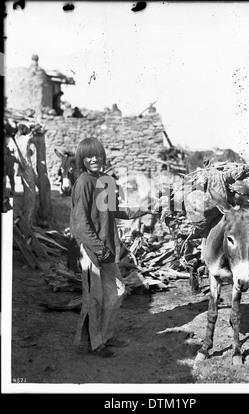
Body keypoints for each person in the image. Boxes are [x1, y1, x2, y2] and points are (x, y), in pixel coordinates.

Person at [70, 138, 154, 358]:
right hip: (91, 250)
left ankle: (106, 336)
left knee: (117, 291)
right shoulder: (84, 182)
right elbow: (80, 223)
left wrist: (144, 210)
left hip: (106, 248)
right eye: (89, 156)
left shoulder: (104, 181)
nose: (95, 159)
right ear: (83, 159)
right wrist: (98, 248)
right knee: (94, 298)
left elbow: (116, 210)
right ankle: (93, 344)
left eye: (98, 154)